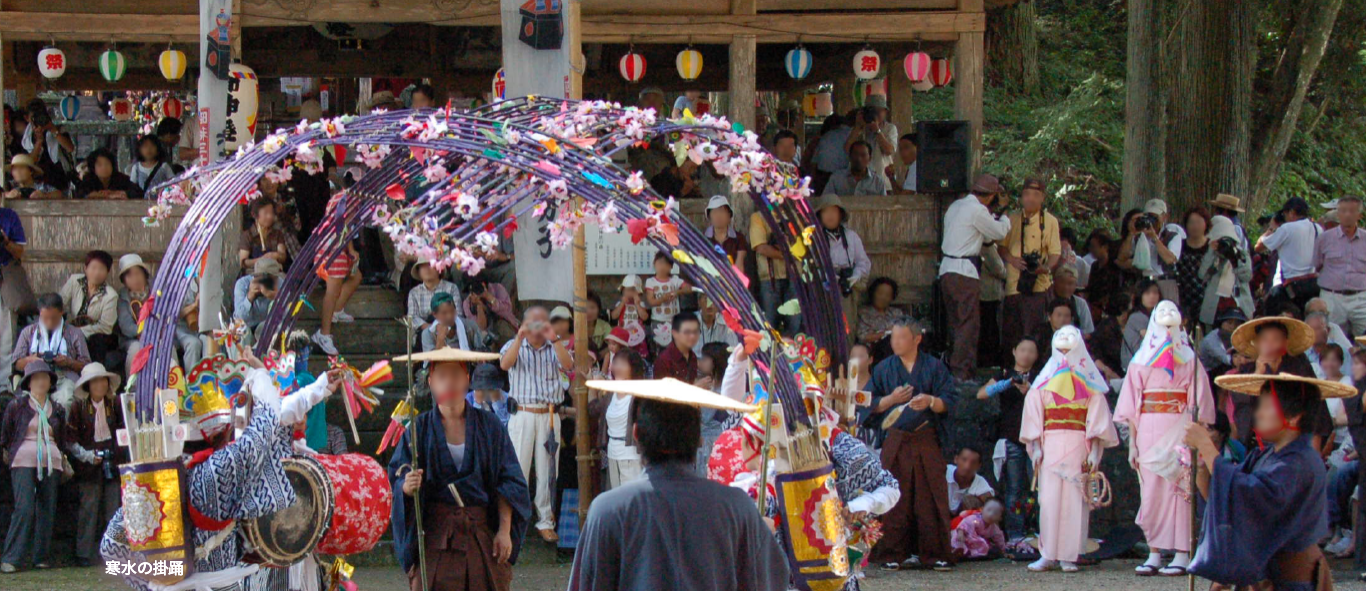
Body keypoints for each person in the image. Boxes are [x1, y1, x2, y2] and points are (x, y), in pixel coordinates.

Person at [571, 376, 789, 591]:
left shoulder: (607, 510)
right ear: (698, 440)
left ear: (636, 434)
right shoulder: (736, 507)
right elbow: (773, 578)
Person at [1187, 373, 1351, 589]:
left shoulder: (1300, 461)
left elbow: (1250, 494)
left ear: (1293, 417)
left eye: (1266, 406)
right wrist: (1202, 467)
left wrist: (1209, 450)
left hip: (1290, 580)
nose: (1259, 413)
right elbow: (1229, 496)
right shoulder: (1265, 456)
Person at [389, 347, 531, 591]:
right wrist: (407, 488)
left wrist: (504, 530)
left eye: (456, 375)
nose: (449, 383)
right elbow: (397, 477)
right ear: (431, 382)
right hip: (436, 537)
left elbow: (509, 481)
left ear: (467, 379)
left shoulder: (490, 426)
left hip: (480, 534)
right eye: (442, 377)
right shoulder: (418, 429)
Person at [1116, 300, 1215, 576]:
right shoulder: (1139, 362)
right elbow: (1132, 407)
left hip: (1179, 429)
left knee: (1181, 491)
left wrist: (1194, 434)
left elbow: (1200, 403)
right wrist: (1132, 444)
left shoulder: (1191, 360)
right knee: (1150, 493)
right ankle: (1155, 552)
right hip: (1148, 429)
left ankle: (1183, 553)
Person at [1020, 326, 1119, 573]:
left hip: (1078, 445)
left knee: (1076, 501)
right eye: (1061, 349)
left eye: (1069, 349)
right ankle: (1047, 553)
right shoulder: (1043, 382)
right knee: (1049, 500)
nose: (1064, 354)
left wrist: (1094, 452)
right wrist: (1037, 445)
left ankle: (1069, 554)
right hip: (1051, 443)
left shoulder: (1090, 384)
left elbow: (1096, 421)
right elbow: (1034, 412)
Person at [863, 317, 958, 572]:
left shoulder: (935, 367)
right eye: (893, 337)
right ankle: (892, 552)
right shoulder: (883, 368)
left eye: (902, 337)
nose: (895, 342)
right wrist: (890, 399)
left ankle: (935, 552)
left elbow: (950, 400)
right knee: (894, 498)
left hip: (926, 438)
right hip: (897, 439)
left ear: (917, 339)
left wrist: (930, 401)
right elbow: (866, 403)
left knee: (930, 497)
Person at [499, 306, 572, 542]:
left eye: (541, 322)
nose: (537, 327)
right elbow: (504, 364)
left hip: (549, 414)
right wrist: (519, 338)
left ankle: (545, 520)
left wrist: (555, 338)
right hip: (522, 413)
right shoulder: (512, 346)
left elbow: (568, 365)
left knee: (549, 470)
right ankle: (513, 521)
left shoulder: (555, 347)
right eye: (532, 322)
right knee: (517, 468)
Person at [939, 174, 1012, 379]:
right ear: (990, 197)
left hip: (946, 269)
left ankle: (954, 368)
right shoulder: (977, 210)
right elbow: (998, 232)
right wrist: (1004, 213)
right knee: (968, 325)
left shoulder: (956, 206)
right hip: (964, 272)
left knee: (955, 322)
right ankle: (962, 374)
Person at [0, 361, 68, 573]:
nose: (41, 381)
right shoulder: (17, 405)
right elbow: (7, 434)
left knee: (47, 509)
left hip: (51, 461)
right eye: (36, 378)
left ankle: (41, 556)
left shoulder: (57, 408)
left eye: (45, 377)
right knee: (25, 507)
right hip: (23, 460)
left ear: (50, 382)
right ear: (28, 383)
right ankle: (12, 557)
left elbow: (62, 438)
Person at [976, 335, 1040, 538]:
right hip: (1012, 439)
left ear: (1037, 355)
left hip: (1037, 440)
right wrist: (1006, 383)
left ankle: (1040, 532)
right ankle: (1015, 534)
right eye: (1023, 350)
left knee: (1038, 490)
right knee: (1014, 490)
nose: (1026, 354)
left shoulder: (1041, 376)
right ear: (1014, 352)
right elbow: (982, 394)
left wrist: (1032, 391)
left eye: (1031, 351)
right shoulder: (1004, 374)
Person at [999, 178, 1062, 365]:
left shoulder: (1049, 221)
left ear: (1042, 197)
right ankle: (1009, 373)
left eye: (1036, 195)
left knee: (1032, 332)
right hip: (1013, 285)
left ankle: (1032, 373)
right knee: (1011, 333)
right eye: (1026, 194)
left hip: (1037, 287)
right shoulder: (1011, 218)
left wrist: (1046, 268)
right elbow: (1001, 247)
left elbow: (1055, 253)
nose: (1030, 199)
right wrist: (1013, 260)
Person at [1227, 317, 1318, 447]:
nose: (1269, 345)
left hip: (1293, 439)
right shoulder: (1247, 370)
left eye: (1276, 339)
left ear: (1285, 343)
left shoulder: (1298, 366)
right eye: (1264, 339)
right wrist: (1258, 374)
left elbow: (1313, 404)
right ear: (1256, 343)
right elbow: (1240, 401)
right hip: (1257, 442)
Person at [66, 363, 123, 568]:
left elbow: (123, 432)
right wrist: (88, 456)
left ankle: (113, 554)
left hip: (113, 460)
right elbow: (70, 441)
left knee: (113, 509)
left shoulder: (115, 404)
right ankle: (83, 553)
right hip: (88, 464)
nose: (99, 385)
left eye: (102, 380)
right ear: (88, 385)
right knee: (88, 508)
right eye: (95, 381)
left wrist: (115, 453)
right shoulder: (78, 407)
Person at [57, 250, 119, 370]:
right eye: (93, 267)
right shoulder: (75, 281)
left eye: (101, 269)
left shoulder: (111, 295)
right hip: (72, 329)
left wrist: (79, 333)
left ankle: (95, 373)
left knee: (98, 341)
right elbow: (60, 303)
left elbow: (106, 327)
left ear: (107, 272)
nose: (96, 273)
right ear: (85, 268)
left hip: (97, 335)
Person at [1258, 197, 1322, 313]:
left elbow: (1259, 247)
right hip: (1314, 284)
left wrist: (1271, 229)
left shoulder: (1287, 228)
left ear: (1291, 212)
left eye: (1285, 213)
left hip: (1293, 287)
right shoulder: (1317, 228)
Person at [595, 349, 647, 489]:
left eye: (623, 364)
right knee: (617, 496)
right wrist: (592, 387)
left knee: (632, 497)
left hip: (631, 454)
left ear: (633, 368)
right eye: (615, 363)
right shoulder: (611, 393)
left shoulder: (640, 394)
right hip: (613, 452)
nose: (617, 367)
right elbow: (593, 409)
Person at [1315, 196, 1366, 336]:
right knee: (1331, 339)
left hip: (1361, 298)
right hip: (1332, 297)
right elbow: (1317, 265)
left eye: (1352, 211)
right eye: (1343, 211)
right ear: (1338, 214)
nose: (1347, 215)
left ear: (1359, 215)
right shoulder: (1324, 239)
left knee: (1364, 341)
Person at [1198, 215, 1255, 327]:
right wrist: (1211, 252)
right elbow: (1202, 275)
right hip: (1215, 306)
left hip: (1238, 304)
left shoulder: (1242, 254)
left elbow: (1247, 277)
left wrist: (1234, 260)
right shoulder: (1212, 253)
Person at [750, 211, 801, 335]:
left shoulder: (797, 215)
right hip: (769, 280)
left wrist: (777, 249)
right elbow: (760, 247)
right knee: (769, 329)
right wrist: (788, 254)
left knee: (795, 328)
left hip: (795, 279)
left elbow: (803, 245)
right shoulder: (759, 216)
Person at [312, 239, 362, 356]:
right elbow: (344, 223)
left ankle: (337, 309)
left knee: (356, 276)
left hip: (339, 247)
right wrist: (351, 250)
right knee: (332, 292)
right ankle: (323, 334)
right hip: (332, 248)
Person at [19, 98, 75, 193]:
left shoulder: (58, 128)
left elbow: (70, 148)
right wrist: (39, 141)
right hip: (38, 183)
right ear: (27, 118)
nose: (37, 119)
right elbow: (30, 162)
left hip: (59, 179)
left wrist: (53, 129)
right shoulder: (27, 137)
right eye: (34, 117)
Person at [1173, 207, 1213, 323]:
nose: (1195, 226)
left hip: (1206, 300)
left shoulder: (1212, 246)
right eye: (1191, 222)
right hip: (1183, 298)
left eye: (1199, 222)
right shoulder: (1179, 245)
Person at [644, 253, 691, 350]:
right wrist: (663, 299)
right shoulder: (651, 281)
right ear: (654, 264)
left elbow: (689, 289)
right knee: (659, 347)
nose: (662, 267)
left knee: (675, 347)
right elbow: (651, 302)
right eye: (660, 263)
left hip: (674, 321)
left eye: (666, 264)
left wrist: (678, 292)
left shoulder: (674, 280)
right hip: (658, 320)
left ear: (671, 267)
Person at [116, 254, 152, 372]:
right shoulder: (123, 297)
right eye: (129, 276)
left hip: (156, 334)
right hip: (133, 338)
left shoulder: (156, 291)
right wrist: (142, 332)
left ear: (144, 274)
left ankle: (174, 386)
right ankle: (132, 388)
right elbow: (125, 325)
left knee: (167, 347)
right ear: (124, 280)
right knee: (135, 349)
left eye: (138, 273)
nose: (135, 278)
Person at [422, 292, 491, 353]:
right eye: (444, 313)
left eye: (452, 311)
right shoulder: (427, 334)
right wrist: (440, 339)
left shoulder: (470, 326)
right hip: (441, 367)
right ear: (435, 314)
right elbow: (431, 362)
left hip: (466, 366)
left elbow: (480, 351)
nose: (449, 316)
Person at [233, 258, 281, 340]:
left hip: (267, 326)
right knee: (240, 330)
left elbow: (287, 316)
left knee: (273, 328)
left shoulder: (280, 283)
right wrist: (250, 297)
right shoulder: (242, 284)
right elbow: (239, 318)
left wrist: (277, 298)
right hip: (248, 325)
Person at [237, 198, 289, 274]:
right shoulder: (247, 235)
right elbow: (243, 262)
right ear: (255, 215)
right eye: (266, 213)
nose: (270, 216)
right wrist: (262, 260)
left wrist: (275, 255)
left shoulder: (277, 234)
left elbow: (283, 256)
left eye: (271, 213)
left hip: (274, 272)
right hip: (253, 273)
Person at [857, 277, 908, 352]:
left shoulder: (896, 313)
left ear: (892, 298)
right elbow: (862, 337)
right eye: (880, 293)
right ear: (873, 293)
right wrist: (885, 333)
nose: (883, 298)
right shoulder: (863, 313)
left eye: (887, 295)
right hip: (873, 351)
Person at [465, 274, 519, 344]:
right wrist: (479, 306)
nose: (477, 289)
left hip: (504, 325)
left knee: (502, 326)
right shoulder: (467, 303)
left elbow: (507, 311)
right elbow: (480, 328)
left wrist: (489, 297)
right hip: (486, 334)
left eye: (478, 286)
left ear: (484, 283)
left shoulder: (498, 288)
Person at [822, 141, 889, 197]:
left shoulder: (878, 182)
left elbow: (884, 206)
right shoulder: (836, 178)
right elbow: (826, 201)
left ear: (870, 158)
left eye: (863, 155)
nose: (859, 159)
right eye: (855, 154)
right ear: (850, 157)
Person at [1122, 279, 1163, 368]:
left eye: (1155, 293)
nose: (1152, 296)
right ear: (1140, 296)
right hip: (1136, 365)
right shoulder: (1137, 316)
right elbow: (1152, 338)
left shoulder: (1155, 315)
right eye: (1147, 293)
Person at [654, 313, 701, 384]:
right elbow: (662, 393)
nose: (692, 336)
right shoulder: (664, 360)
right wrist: (695, 388)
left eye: (695, 332)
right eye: (687, 332)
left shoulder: (692, 356)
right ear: (674, 333)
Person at [1199, 307, 1246, 376]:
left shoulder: (1236, 336)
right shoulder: (1210, 340)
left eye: (1237, 324)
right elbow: (1227, 360)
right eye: (1229, 323)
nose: (1232, 327)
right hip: (1206, 373)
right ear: (1221, 323)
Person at [610, 274, 650, 357]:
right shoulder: (620, 304)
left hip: (637, 334)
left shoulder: (641, 304)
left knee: (637, 354)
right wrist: (622, 303)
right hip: (623, 333)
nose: (629, 292)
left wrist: (637, 304)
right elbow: (614, 316)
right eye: (626, 290)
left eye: (632, 290)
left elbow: (645, 317)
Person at [946, 446, 994, 514]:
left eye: (973, 463)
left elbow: (992, 507)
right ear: (956, 459)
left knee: (970, 501)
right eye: (964, 460)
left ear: (978, 466)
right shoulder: (944, 472)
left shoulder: (980, 483)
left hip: (963, 522)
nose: (967, 466)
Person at [1051, 265, 1093, 336]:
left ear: (1075, 285)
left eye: (1070, 284)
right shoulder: (1046, 301)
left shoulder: (1081, 304)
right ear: (1054, 282)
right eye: (1062, 282)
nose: (1065, 287)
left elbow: (1087, 333)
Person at [467, 362, 512, 427]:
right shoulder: (467, 399)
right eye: (482, 389)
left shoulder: (506, 398)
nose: (486, 392)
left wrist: (497, 403)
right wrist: (477, 403)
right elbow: (471, 427)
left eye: (490, 389)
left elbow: (505, 425)